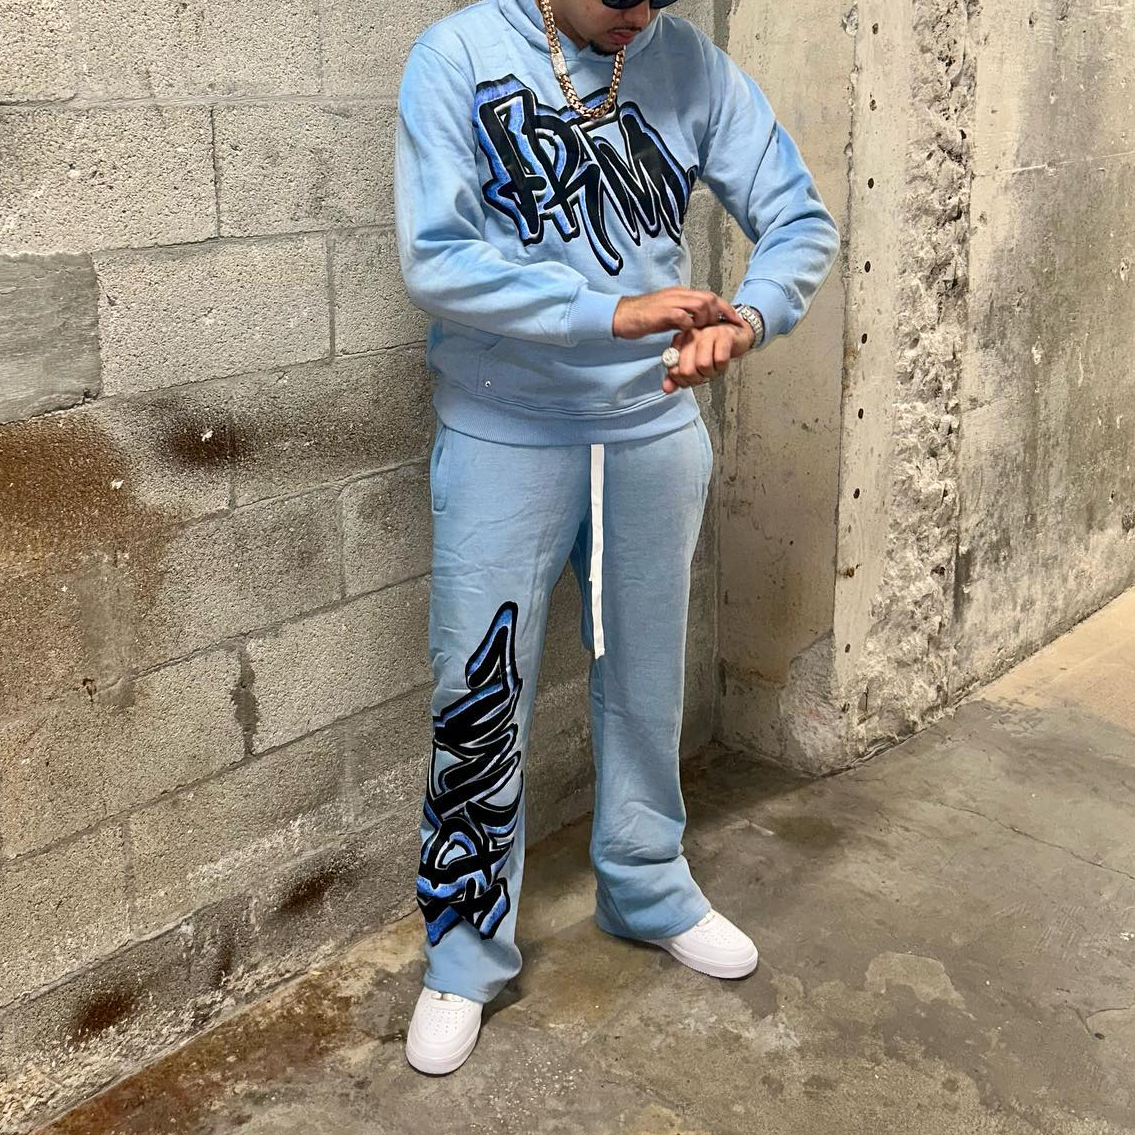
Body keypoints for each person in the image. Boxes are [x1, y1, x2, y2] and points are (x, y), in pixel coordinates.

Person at [393, 0, 840, 1075]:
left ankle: (646, 887)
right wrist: (606, 313)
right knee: (479, 691)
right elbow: (435, 256)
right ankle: (463, 950)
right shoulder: (457, 55)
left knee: (645, 678)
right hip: (505, 429)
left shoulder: (687, 61)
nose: (640, 13)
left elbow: (798, 217)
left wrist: (750, 316)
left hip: (652, 429)